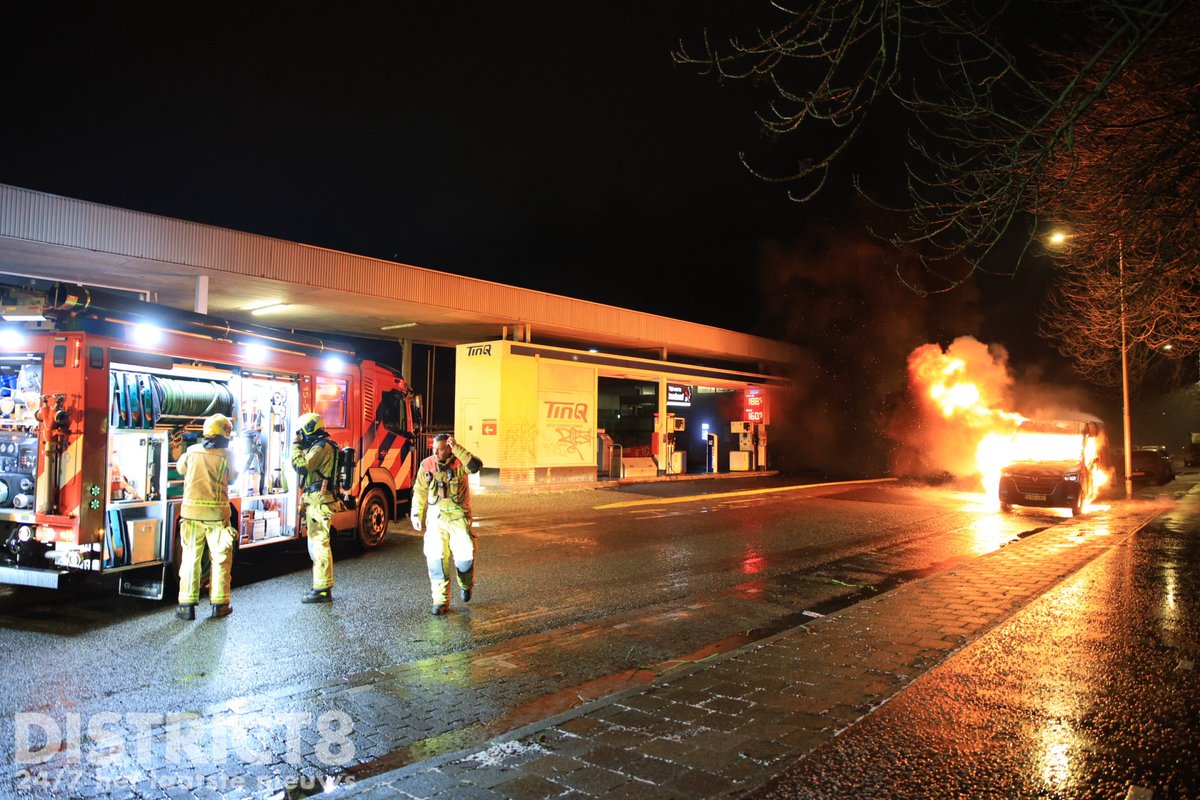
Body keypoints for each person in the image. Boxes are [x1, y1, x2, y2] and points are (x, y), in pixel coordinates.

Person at [176, 413, 239, 620]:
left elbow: (180, 468)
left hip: (191, 516)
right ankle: (219, 606)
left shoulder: (192, 451)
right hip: (217, 518)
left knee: (191, 559)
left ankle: (186, 607)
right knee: (220, 560)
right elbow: (231, 478)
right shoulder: (227, 455)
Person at [411, 433, 482, 615]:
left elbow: (475, 466)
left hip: (459, 519)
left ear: (449, 448)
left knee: (465, 559)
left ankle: (466, 585)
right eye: (434, 448)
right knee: (435, 560)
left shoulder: (460, 462)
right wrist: (416, 514)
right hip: (436, 520)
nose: (435, 451)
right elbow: (420, 490)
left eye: (440, 448)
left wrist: (458, 449)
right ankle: (440, 601)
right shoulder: (427, 465)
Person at [291, 412, 337, 603]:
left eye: (302, 432)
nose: (300, 436)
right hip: (315, 499)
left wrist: (295, 446)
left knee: (319, 544)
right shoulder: (321, 446)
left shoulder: (321, 447)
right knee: (316, 545)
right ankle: (320, 584)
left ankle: (323, 589)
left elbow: (302, 466)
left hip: (319, 501)